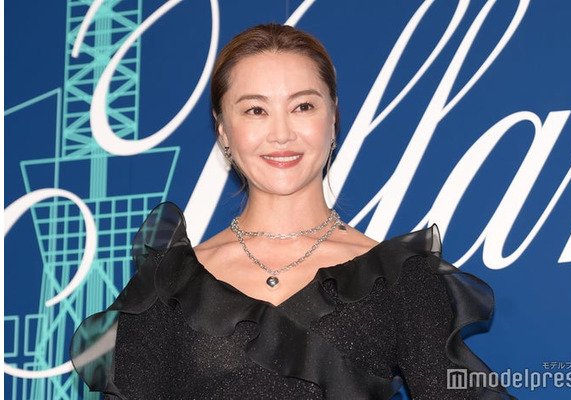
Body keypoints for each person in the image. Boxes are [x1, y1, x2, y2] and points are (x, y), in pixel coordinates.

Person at [71, 23, 514, 399]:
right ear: (223, 131)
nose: (281, 133)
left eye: (302, 106)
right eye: (255, 110)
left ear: (333, 120)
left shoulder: (398, 280)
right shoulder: (169, 286)